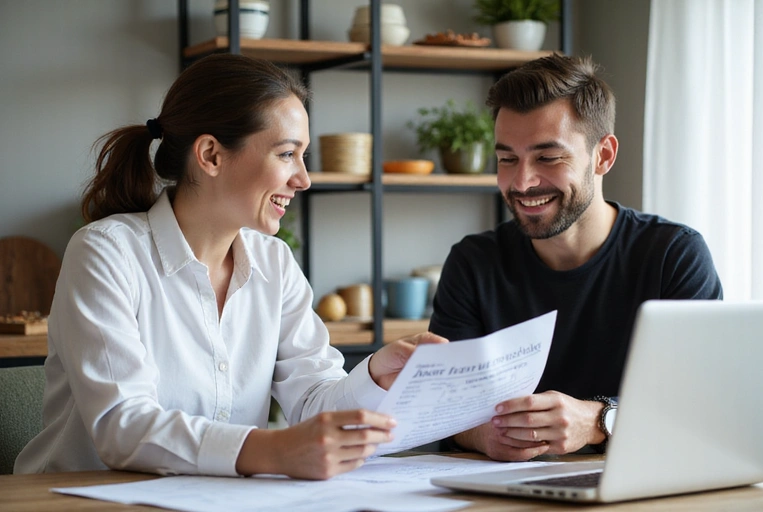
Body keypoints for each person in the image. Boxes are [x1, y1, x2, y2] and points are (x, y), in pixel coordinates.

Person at [14, 53, 446, 479]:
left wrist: (373, 374)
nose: (303, 179)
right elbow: (122, 426)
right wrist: (273, 449)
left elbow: (313, 400)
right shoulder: (106, 253)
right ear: (211, 155)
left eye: (303, 156)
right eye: (286, 154)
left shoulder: (274, 263)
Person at [429, 53, 722, 462]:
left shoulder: (673, 255)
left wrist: (598, 421)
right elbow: (444, 412)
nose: (522, 182)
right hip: (503, 494)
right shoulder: (473, 263)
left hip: (642, 489)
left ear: (603, 155)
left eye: (548, 157)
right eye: (507, 159)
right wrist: (485, 436)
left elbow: (704, 408)